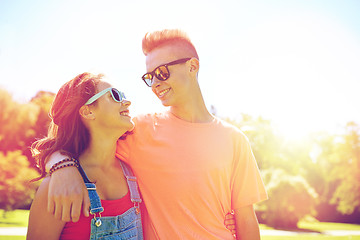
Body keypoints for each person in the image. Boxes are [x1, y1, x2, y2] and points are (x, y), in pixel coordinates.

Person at [46, 29, 268, 239]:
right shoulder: (138, 130)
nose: (155, 84)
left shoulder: (234, 140)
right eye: (150, 77)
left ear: (192, 66)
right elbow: (78, 146)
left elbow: (246, 220)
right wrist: (62, 166)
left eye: (162, 72)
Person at [27, 73, 143, 240]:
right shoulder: (56, 187)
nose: (127, 102)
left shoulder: (136, 168)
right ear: (88, 111)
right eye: (115, 95)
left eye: (123, 95)